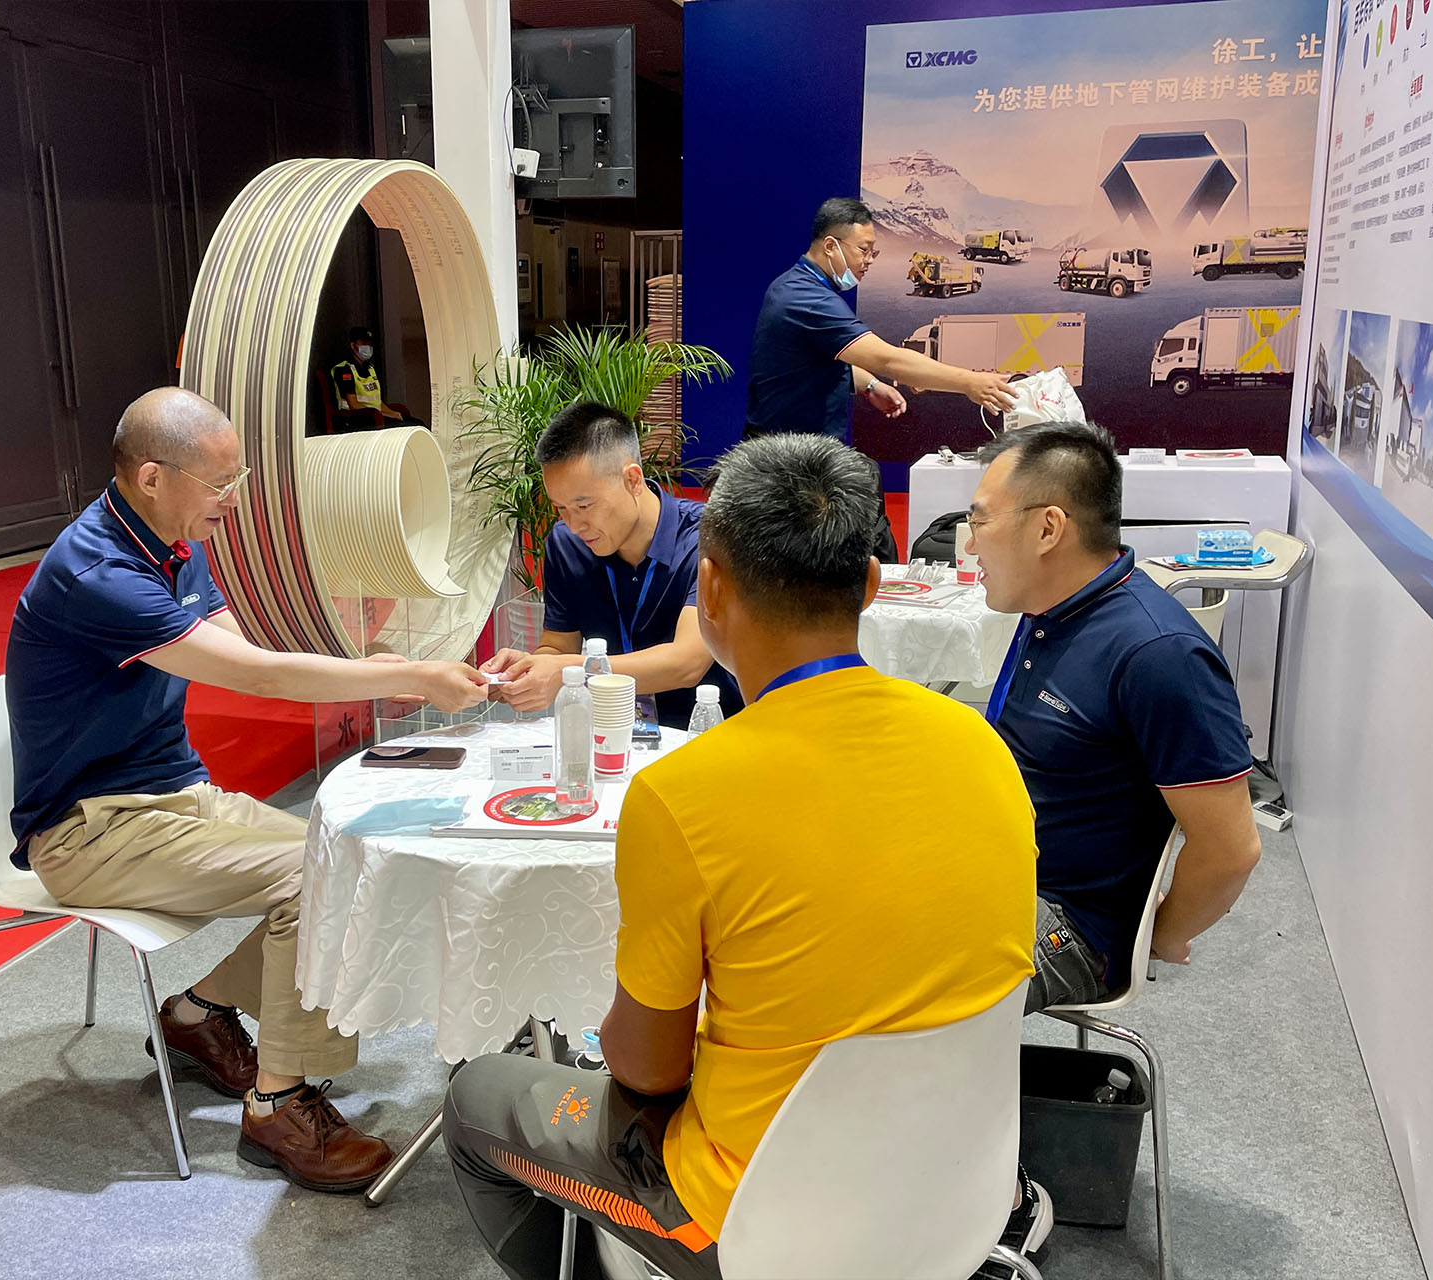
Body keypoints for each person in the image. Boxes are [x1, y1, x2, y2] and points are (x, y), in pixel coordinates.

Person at [444, 434, 1045, 1280]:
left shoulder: (683, 796)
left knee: (477, 1097)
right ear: (872, 585)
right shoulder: (981, 748)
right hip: (959, 1189)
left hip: (751, 1219)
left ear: (713, 589)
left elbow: (648, 1071)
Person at [5, 386, 487, 1190]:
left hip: (174, 796)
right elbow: (258, 677)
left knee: (356, 857)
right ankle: (277, 1104)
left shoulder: (171, 537)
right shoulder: (98, 573)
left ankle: (194, 1014)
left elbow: (245, 650)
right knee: (312, 876)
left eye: (238, 479)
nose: (233, 499)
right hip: (90, 830)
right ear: (152, 476)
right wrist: (407, 675)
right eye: (220, 483)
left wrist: (368, 666)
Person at [965, 420, 1263, 1013]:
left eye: (979, 522)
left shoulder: (1159, 654)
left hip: (1066, 923)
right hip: (999, 870)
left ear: (1048, 528)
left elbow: (1232, 849)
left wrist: (1162, 936)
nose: (970, 546)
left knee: (859, 978)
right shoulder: (1054, 608)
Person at [744, 196, 1018, 562]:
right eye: (864, 250)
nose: (869, 261)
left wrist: (870, 384)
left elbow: (815, 361)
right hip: (789, 464)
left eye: (874, 252)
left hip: (798, 452)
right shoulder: (806, 299)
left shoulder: (794, 287)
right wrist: (970, 383)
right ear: (831, 246)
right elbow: (889, 358)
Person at [480, 401, 741, 728]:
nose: (574, 525)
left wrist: (565, 670)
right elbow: (559, 646)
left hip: (706, 729)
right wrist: (528, 669)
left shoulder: (707, 538)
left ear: (632, 479)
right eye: (561, 508)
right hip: (611, 728)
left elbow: (686, 663)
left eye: (584, 506)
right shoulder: (567, 544)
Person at [330, 325, 417, 424]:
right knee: (400, 426)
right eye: (364, 343)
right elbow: (353, 405)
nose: (368, 347)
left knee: (415, 423)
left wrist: (394, 413)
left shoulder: (370, 368)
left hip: (376, 417)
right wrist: (383, 414)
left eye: (370, 344)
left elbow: (377, 403)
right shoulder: (344, 369)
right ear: (353, 346)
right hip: (356, 419)